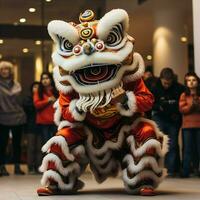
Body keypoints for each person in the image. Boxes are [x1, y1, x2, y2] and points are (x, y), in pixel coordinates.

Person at [37, 9, 168, 196]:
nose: (90, 54)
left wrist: (124, 99)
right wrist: (78, 108)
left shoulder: (128, 76)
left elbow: (148, 101)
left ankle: (142, 180)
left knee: (147, 132)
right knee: (61, 139)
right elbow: (65, 109)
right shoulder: (71, 81)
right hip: (87, 127)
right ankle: (56, 182)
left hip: (124, 125)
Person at [151, 68, 185, 177]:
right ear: (161, 79)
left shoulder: (179, 88)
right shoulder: (154, 87)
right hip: (159, 117)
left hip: (173, 120)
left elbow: (181, 103)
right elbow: (150, 103)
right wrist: (159, 106)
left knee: (173, 144)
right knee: (158, 144)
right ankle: (157, 169)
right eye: (165, 83)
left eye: (169, 83)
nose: (167, 85)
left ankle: (170, 170)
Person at [0, 61, 26, 176]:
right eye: (2, 69)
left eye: (7, 69)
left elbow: (20, 102)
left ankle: (17, 167)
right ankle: (2, 168)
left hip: (17, 117)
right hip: (2, 118)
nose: (5, 71)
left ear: (10, 71)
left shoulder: (17, 85)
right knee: (2, 144)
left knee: (17, 144)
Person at [179, 72, 200, 177]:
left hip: (199, 125)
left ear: (198, 82)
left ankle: (198, 169)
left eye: (194, 80)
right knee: (187, 149)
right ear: (186, 83)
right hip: (187, 126)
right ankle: (186, 171)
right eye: (189, 80)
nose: (191, 82)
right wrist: (192, 106)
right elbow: (182, 109)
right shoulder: (184, 95)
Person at [33, 72, 58, 145]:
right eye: (43, 79)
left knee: (56, 144)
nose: (45, 80)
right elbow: (36, 105)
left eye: (47, 78)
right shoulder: (38, 91)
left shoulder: (56, 90)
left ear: (51, 79)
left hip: (55, 121)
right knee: (47, 145)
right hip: (44, 123)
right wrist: (48, 100)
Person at [24, 81, 42, 174]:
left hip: (40, 126)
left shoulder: (42, 98)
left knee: (39, 148)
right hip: (31, 126)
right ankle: (30, 167)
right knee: (31, 148)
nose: (36, 88)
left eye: (38, 87)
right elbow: (28, 109)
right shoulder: (28, 99)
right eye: (34, 87)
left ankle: (38, 167)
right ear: (31, 88)